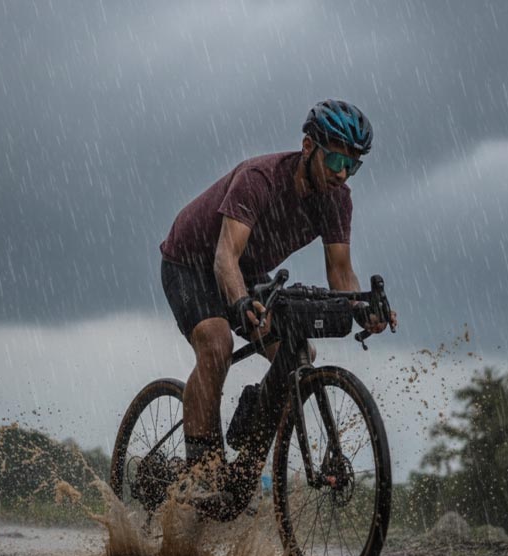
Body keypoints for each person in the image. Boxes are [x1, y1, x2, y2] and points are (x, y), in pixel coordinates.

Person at [159, 99, 396, 505]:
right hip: (192, 261)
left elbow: (340, 271)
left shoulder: (337, 199)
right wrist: (238, 304)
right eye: (336, 159)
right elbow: (224, 257)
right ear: (308, 147)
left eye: (352, 166)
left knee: (299, 352)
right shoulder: (260, 179)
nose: (342, 173)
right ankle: (201, 469)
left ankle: (247, 455)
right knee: (217, 345)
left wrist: (360, 308)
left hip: (247, 271)